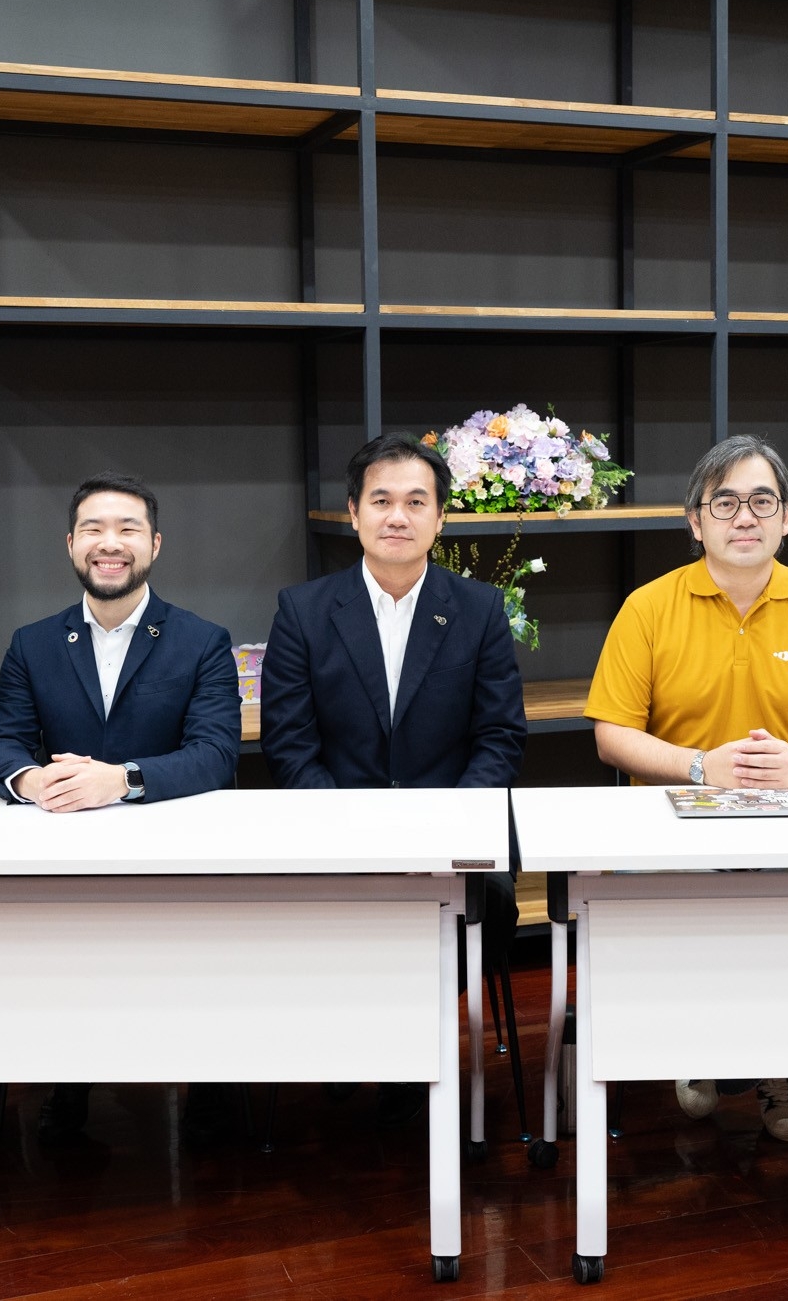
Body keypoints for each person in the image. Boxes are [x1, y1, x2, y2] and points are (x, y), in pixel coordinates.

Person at [584, 434, 788, 1142]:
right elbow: (610, 735)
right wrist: (700, 766)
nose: (743, 517)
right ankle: (703, 1042)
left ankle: (781, 1059)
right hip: (670, 818)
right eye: (725, 502)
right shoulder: (648, 608)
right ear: (696, 521)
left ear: (787, 518)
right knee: (691, 907)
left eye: (761, 501)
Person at [0, 471, 241, 1138]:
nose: (109, 542)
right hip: (63, 857)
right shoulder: (33, 643)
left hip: (177, 856)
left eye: (126, 528)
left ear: (154, 544)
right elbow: (0, 741)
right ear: (71, 544)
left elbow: (215, 755)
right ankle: (70, 1073)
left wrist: (119, 779)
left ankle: (209, 1074)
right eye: (93, 528)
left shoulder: (202, 640)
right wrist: (32, 781)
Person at [260, 433, 526, 1095]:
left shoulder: (481, 609)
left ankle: (418, 1064)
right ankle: (362, 1050)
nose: (397, 516)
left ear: (441, 518)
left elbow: (500, 738)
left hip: (455, 843)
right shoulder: (304, 610)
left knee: (474, 912)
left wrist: (440, 832)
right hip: (337, 840)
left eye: (416, 501)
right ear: (353, 512)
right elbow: (289, 744)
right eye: (381, 500)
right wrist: (363, 834)